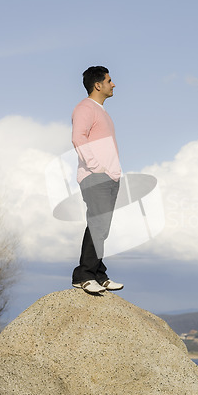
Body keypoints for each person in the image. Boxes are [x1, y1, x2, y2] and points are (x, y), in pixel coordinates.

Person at [71, 66, 123, 294]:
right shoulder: (85, 107)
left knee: (102, 228)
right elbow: (77, 137)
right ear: (98, 85)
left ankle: (98, 274)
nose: (113, 84)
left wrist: (112, 174)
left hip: (109, 177)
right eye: (109, 80)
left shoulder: (103, 112)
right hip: (95, 176)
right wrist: (96, 168)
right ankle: (83, 275)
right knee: (97, 223)